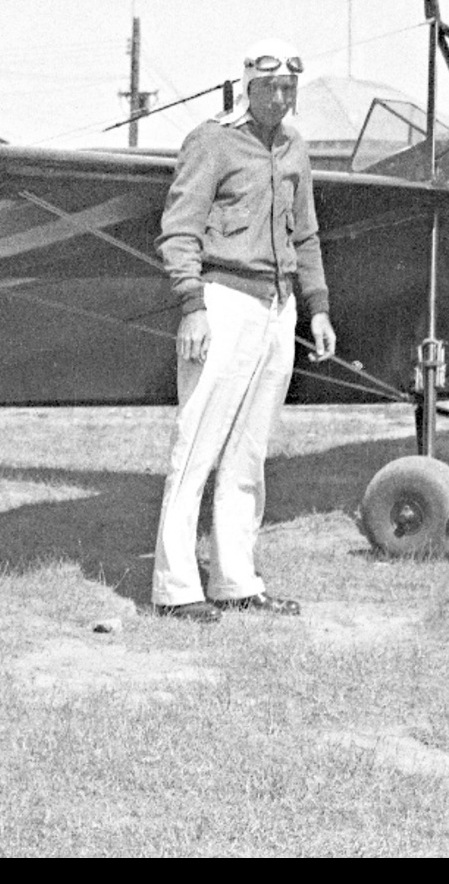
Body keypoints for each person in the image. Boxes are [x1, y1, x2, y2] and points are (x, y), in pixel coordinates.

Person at [151, 38, 337, 624]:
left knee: (248, 454)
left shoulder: (294, 149)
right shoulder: (211, 141)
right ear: (248, 87)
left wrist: (319, 307)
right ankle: (176, 588)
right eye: (270, 87)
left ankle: (236, 581)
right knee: (196, 448)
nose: (280, 98)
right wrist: (192, 305)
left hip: (278, 311)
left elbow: (305, 236)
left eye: (289, 89)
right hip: (223, 301)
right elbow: (179, 230)